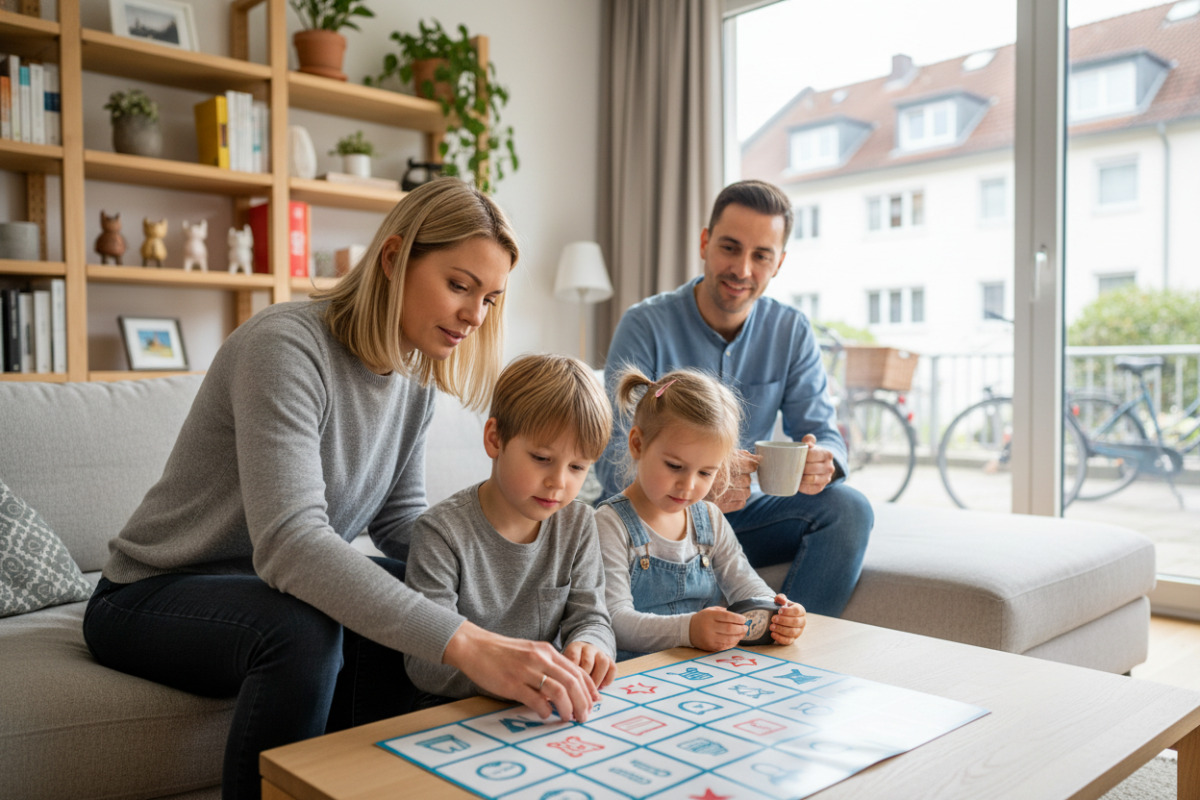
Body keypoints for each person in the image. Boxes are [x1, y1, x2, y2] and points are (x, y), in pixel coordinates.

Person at [81, 179, 600, 800]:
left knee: (413, 591)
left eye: (490, 298)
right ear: (393, 259)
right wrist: (468, 641)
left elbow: (404, 524)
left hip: (264, 587)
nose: (474, 315)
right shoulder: (285, 346)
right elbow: (291, 545)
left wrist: (510, 555)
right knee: (303, 629)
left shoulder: (413, 380)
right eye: (459, 285)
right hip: (149, 595)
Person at [597, 179, 874, 617]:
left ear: (778, 263)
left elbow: (823, 431)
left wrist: (824, 460)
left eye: (761, 256)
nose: (742, 269)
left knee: (849, 509)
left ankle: (786, 637)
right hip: (653, 511)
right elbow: (611, 452)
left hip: (741, 515)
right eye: (730, 247)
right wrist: (696, 494)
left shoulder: (791, 330)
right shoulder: (646, 324)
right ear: (705, 243)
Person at [404, 353, 617, 703]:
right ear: (495, 439)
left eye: (577, 467)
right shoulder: (440, 532)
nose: (558, 482)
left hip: (540, 705)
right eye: (542, 459)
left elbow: (592, 617)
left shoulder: (578, 524)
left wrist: (589, 645)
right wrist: (503, 676)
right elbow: (424, 663)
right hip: (456, 711)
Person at [597, 367, 806, 659]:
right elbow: (615, 621)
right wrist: (689, 630)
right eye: (674, 466)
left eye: (706, 472)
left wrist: (778, 610)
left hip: (699, 674)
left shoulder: (709, 519)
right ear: (637, 444)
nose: (688, 486)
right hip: (635, 676)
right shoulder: (609, 524)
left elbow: (745, 584)